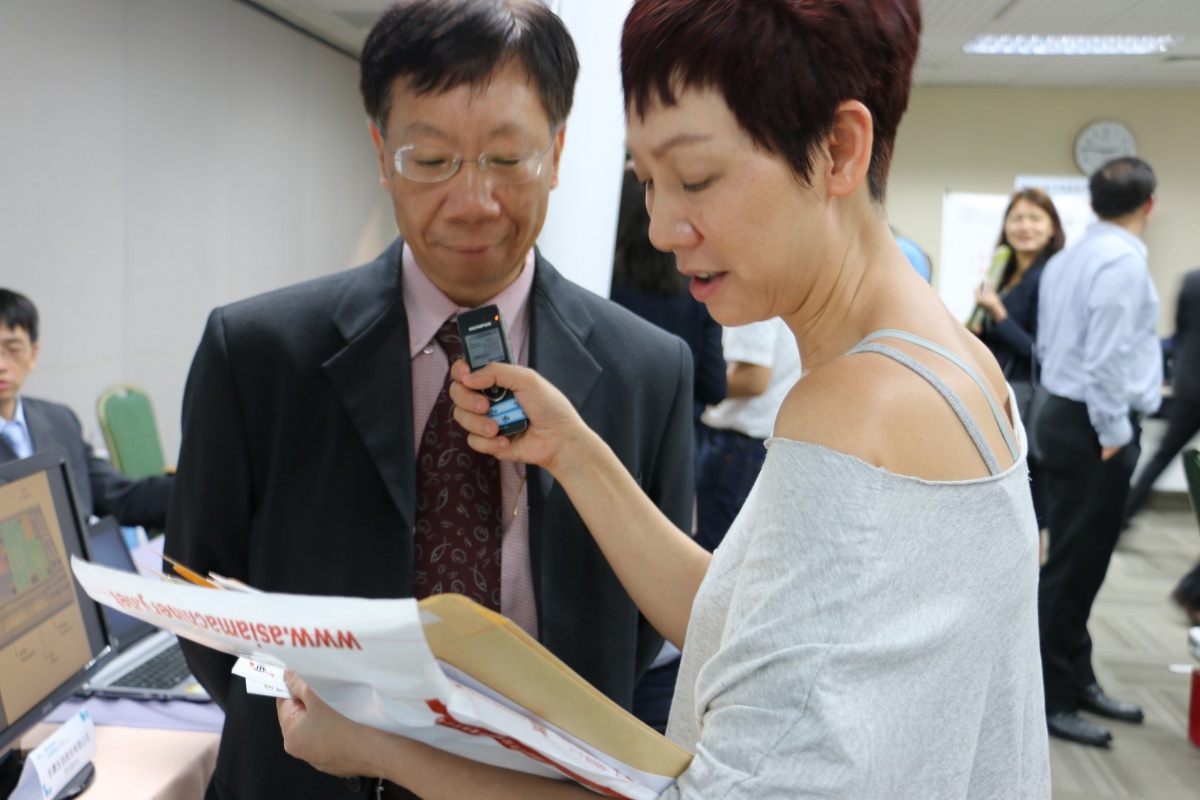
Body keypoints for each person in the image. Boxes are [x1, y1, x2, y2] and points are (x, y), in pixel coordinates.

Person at [276, 1, 1051, 797]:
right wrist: (573, 453)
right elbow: (744, 628)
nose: (661, 226)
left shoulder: (853, 410)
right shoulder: (957, 362)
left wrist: (383, 750)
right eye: (647, 181)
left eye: (696, 178)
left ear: (839, 149)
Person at [164, 2, 695, 798]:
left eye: (507, 158)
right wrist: (306, 714)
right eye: (432, 159)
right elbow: (204, 606)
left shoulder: (648, 370)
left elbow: (646, 624)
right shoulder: (259, 353)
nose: (472, 200)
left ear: (556, 152)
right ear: (382, 154)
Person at [1035, 156, 1161, 748]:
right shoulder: (1121, 263)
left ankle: (1077, 678)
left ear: (1092, 203)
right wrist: (1114, 433)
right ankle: (1051, 699)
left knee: (1077, 563)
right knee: (1072, 570)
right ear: (1149, 205)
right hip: (1094, 426)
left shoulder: (1069, 257)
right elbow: (1107, 357)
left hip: (1064, 415)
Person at [0, 289, 171, 528]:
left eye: (12, 349)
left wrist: (198, 484)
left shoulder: (60, 420)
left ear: (33, 354)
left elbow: (119, 497)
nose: (1, 364)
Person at [610, 165, 726, 452]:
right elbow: (715, 386)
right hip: (677, 442)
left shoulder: (603, 289)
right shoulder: (698, 291)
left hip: (611, 433)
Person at [971, 188, 1066, 525]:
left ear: (1052, 228)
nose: (1025, 226)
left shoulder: (1050, 277)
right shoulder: (1004, 273)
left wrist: (998, 314)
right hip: (999, 392)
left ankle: (1034, 550)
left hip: (1027, 395)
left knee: (1029, 485)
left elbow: (1040, 352)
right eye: (1017, 218)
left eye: (1035, 218)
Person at [694, 318, 801, 552]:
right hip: (754, 446)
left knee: (709, 550)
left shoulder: (756, 307)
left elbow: (754, 379)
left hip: (736, 449)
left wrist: (697, 381)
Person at [1124, 267, 1200, 528]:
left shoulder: (1192, 281)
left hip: (1190, 385)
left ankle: (1124, 516)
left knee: (1162, 456)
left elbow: (1181, 332)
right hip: (1191, 385)